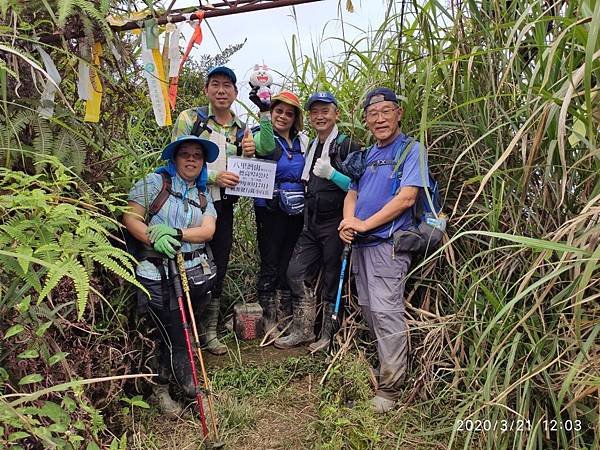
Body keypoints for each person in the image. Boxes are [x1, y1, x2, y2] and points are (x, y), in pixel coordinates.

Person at [338, 87, 430, 414]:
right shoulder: (367, 154)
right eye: (373, 114)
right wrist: (349, 221)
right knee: (368, 308)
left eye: (386, 112)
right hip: (361, 246)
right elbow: (352, 192)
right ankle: (382, 372)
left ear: (399, 114)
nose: (380, 119)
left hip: (388, 246)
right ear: (366, 119)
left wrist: (365, 225)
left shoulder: (411, 150)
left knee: (386, 311)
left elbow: (407, 198)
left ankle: (391, 389)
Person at [123, 135, 219, 417]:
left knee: (180, 333)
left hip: (193, 275)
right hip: (157, 274)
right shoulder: (155, 183)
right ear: (174, 159)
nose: (191, 160)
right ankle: (188, 392)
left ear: (203, 163)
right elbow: (131, 218)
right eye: (185, 154)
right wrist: (153, 239)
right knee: (176, 333)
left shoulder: (202, 195)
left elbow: (208, 230)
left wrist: (175, 234)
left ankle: (164, 387)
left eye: (197, 156)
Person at [172, 66, 254, 355]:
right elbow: (176, 160)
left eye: (227, 86)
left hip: (224, 206)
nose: (221, 90)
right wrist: (213, 177)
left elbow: (245, 172)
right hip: (189, 202)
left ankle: (209, 331)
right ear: (206, 89)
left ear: (235, 92)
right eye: (215, 85)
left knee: (218, 264)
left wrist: (248, 156)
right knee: (186, 261)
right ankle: (185, 331)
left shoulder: (242, 129)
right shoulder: (190, 119)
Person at [273, 92, 360, 350]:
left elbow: (359, 187)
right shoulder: (311, 145)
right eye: (315, 112)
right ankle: (303, 330)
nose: (320, 116)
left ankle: (328, 336)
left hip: (336, 223)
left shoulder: (347, 145)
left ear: (336, 114)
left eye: (325, 111)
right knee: (294, 272)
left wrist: (333, 174)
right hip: (310, 222)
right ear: (309, 117)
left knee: (333, 278)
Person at [243, 89, 307, 333]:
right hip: (269, 208)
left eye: (289, 113)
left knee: (288, 261)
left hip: (295, 209)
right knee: (270, 261)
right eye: (278, 111)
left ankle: (285, 314)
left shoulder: (303, 141)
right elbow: (267, 148)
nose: (283, 116)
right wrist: (265, 114)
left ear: (295, 118)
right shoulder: (261, 135)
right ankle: (268, 317)